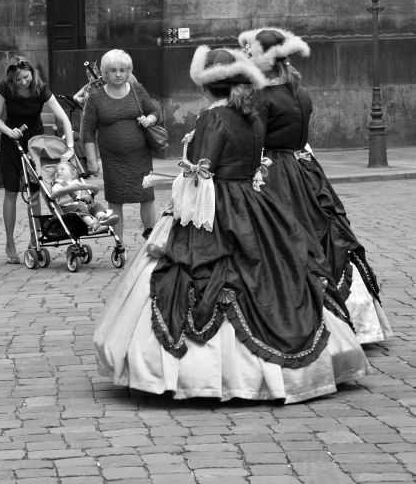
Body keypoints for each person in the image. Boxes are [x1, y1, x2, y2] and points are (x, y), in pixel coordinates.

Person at [94, 46, 368, 403]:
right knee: (279, 267)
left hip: (215, 206)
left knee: (194, 270)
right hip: (255, 204)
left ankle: (206, 376)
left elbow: (201, 174)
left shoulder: (213, 118)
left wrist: (180, 197)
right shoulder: (251, 114)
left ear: (208, 87)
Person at [239, 26, 391, 344]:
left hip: (275, 171)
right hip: (304, 168)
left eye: (249, 54)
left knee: (280, 238)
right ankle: (354, 317)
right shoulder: (299, 90)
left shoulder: (264, 97)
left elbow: (254, 141)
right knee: (322, 230)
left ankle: (304, 317)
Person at [0, 56, 75, 264]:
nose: (23, 82)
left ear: (32, 74)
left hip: (35, 143)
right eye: (18, 79)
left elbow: (63, 117)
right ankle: (10, 243)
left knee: (35, 191)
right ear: (12, 79)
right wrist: (9, 131)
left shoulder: (40, 88)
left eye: (26, 77)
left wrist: (70, 147)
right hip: (12, 140)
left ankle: (34, 238)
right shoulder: (5, 88)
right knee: (11, 191)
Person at [81, 49, 159, 242]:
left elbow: (155, 112)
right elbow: (87, 131)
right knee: (115, 200)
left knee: (147, 197)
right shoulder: (96, 97)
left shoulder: (137, 90)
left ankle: (152, 241)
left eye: (123, 70)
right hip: (113, 159)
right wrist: (92, 160)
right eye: (113, 70)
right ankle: (119, 244)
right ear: (105, 73)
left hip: (140, 157)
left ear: (128, 71)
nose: (118, 74)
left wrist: (149, 119)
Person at [50, 162, 118, 233]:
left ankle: (103, 219)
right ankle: (93, 226)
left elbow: (79, 196)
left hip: (80, 205)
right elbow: (55, 193)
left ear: (72, 173)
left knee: (95, 205)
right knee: (80, 207)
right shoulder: (57, 185)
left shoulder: (76, 182)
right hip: (66, 208)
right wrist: (67, 188)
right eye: (56, 171)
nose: (58, 171)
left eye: (62, 169)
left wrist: (84, 197)